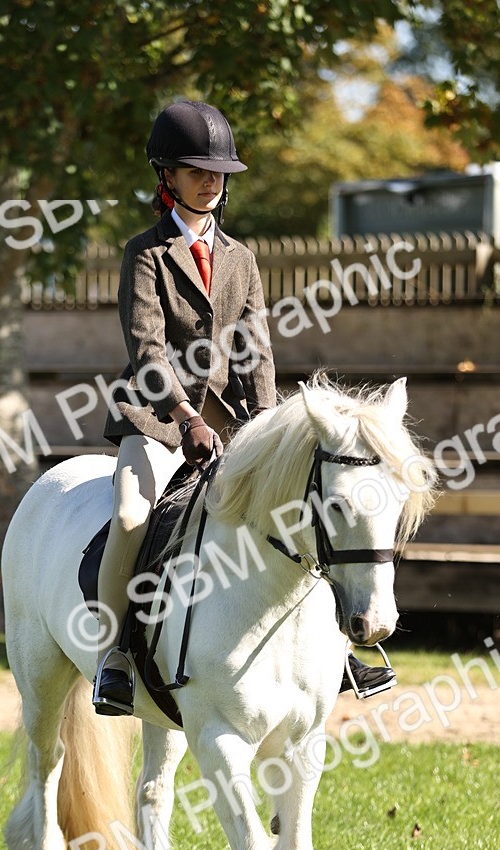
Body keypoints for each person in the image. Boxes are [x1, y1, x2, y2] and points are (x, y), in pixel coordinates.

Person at [93, 100, 396, 716]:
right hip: (156, 419)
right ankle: (115, 655)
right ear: (167, 175)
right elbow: (147, 350)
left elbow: (256, 351)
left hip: (229, 425)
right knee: (129, 516)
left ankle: (337, 652)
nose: (211, 181)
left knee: (299, 513)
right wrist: (186, 416)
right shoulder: (144, 254)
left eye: (218, 172)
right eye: (197, 171)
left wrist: (267, 431)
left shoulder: (241, 258)